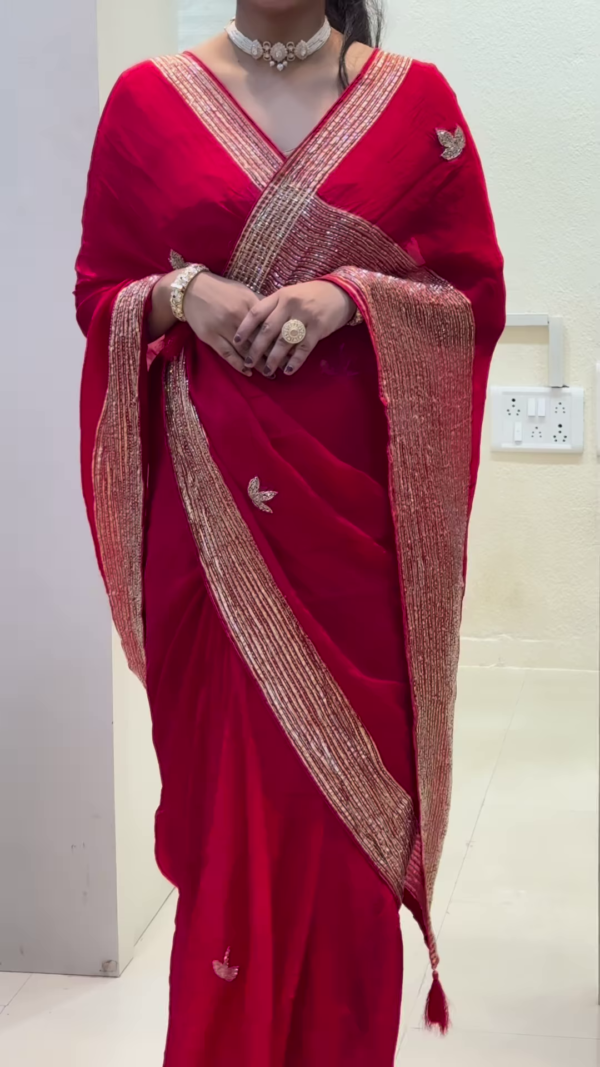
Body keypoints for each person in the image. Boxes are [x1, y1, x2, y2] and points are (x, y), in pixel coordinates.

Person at [75, 0, 506, 1063]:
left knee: (345, 832)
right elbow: (99, 293)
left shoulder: (413, 106)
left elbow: (468, 295)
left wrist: (346, 298)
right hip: (209, 533)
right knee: (231, 829)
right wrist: (185, 295)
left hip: (354, 542)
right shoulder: (146, 104)